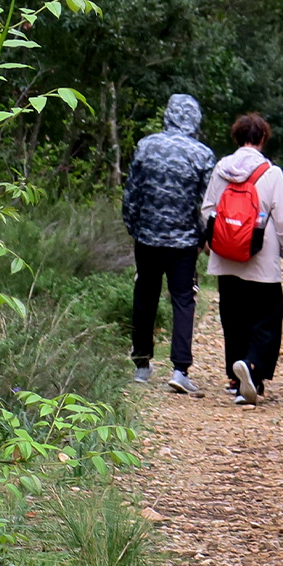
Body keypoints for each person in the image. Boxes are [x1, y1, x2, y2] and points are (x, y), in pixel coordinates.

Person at [122, 94, 215, 395]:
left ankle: (141, 365)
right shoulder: (202, 154)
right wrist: (204, 237)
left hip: (147, 237)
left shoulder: (145, 146)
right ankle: (180, 369)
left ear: (168, 115)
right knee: (183, 300)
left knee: (144, 296)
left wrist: (134, 227)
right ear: (195, 119)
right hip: (184, 243)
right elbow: (209, 203)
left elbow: (131, 193)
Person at [201, 112, 283, 405]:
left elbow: (207, 210)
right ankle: (252, 369)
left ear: (236, 137)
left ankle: (235, 377)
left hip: (226, 258)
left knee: (233, 317)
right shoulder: (272, 173)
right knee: (266, 319)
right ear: (263, 138)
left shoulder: (221, 169)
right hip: (260, 259)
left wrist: (216, 242)